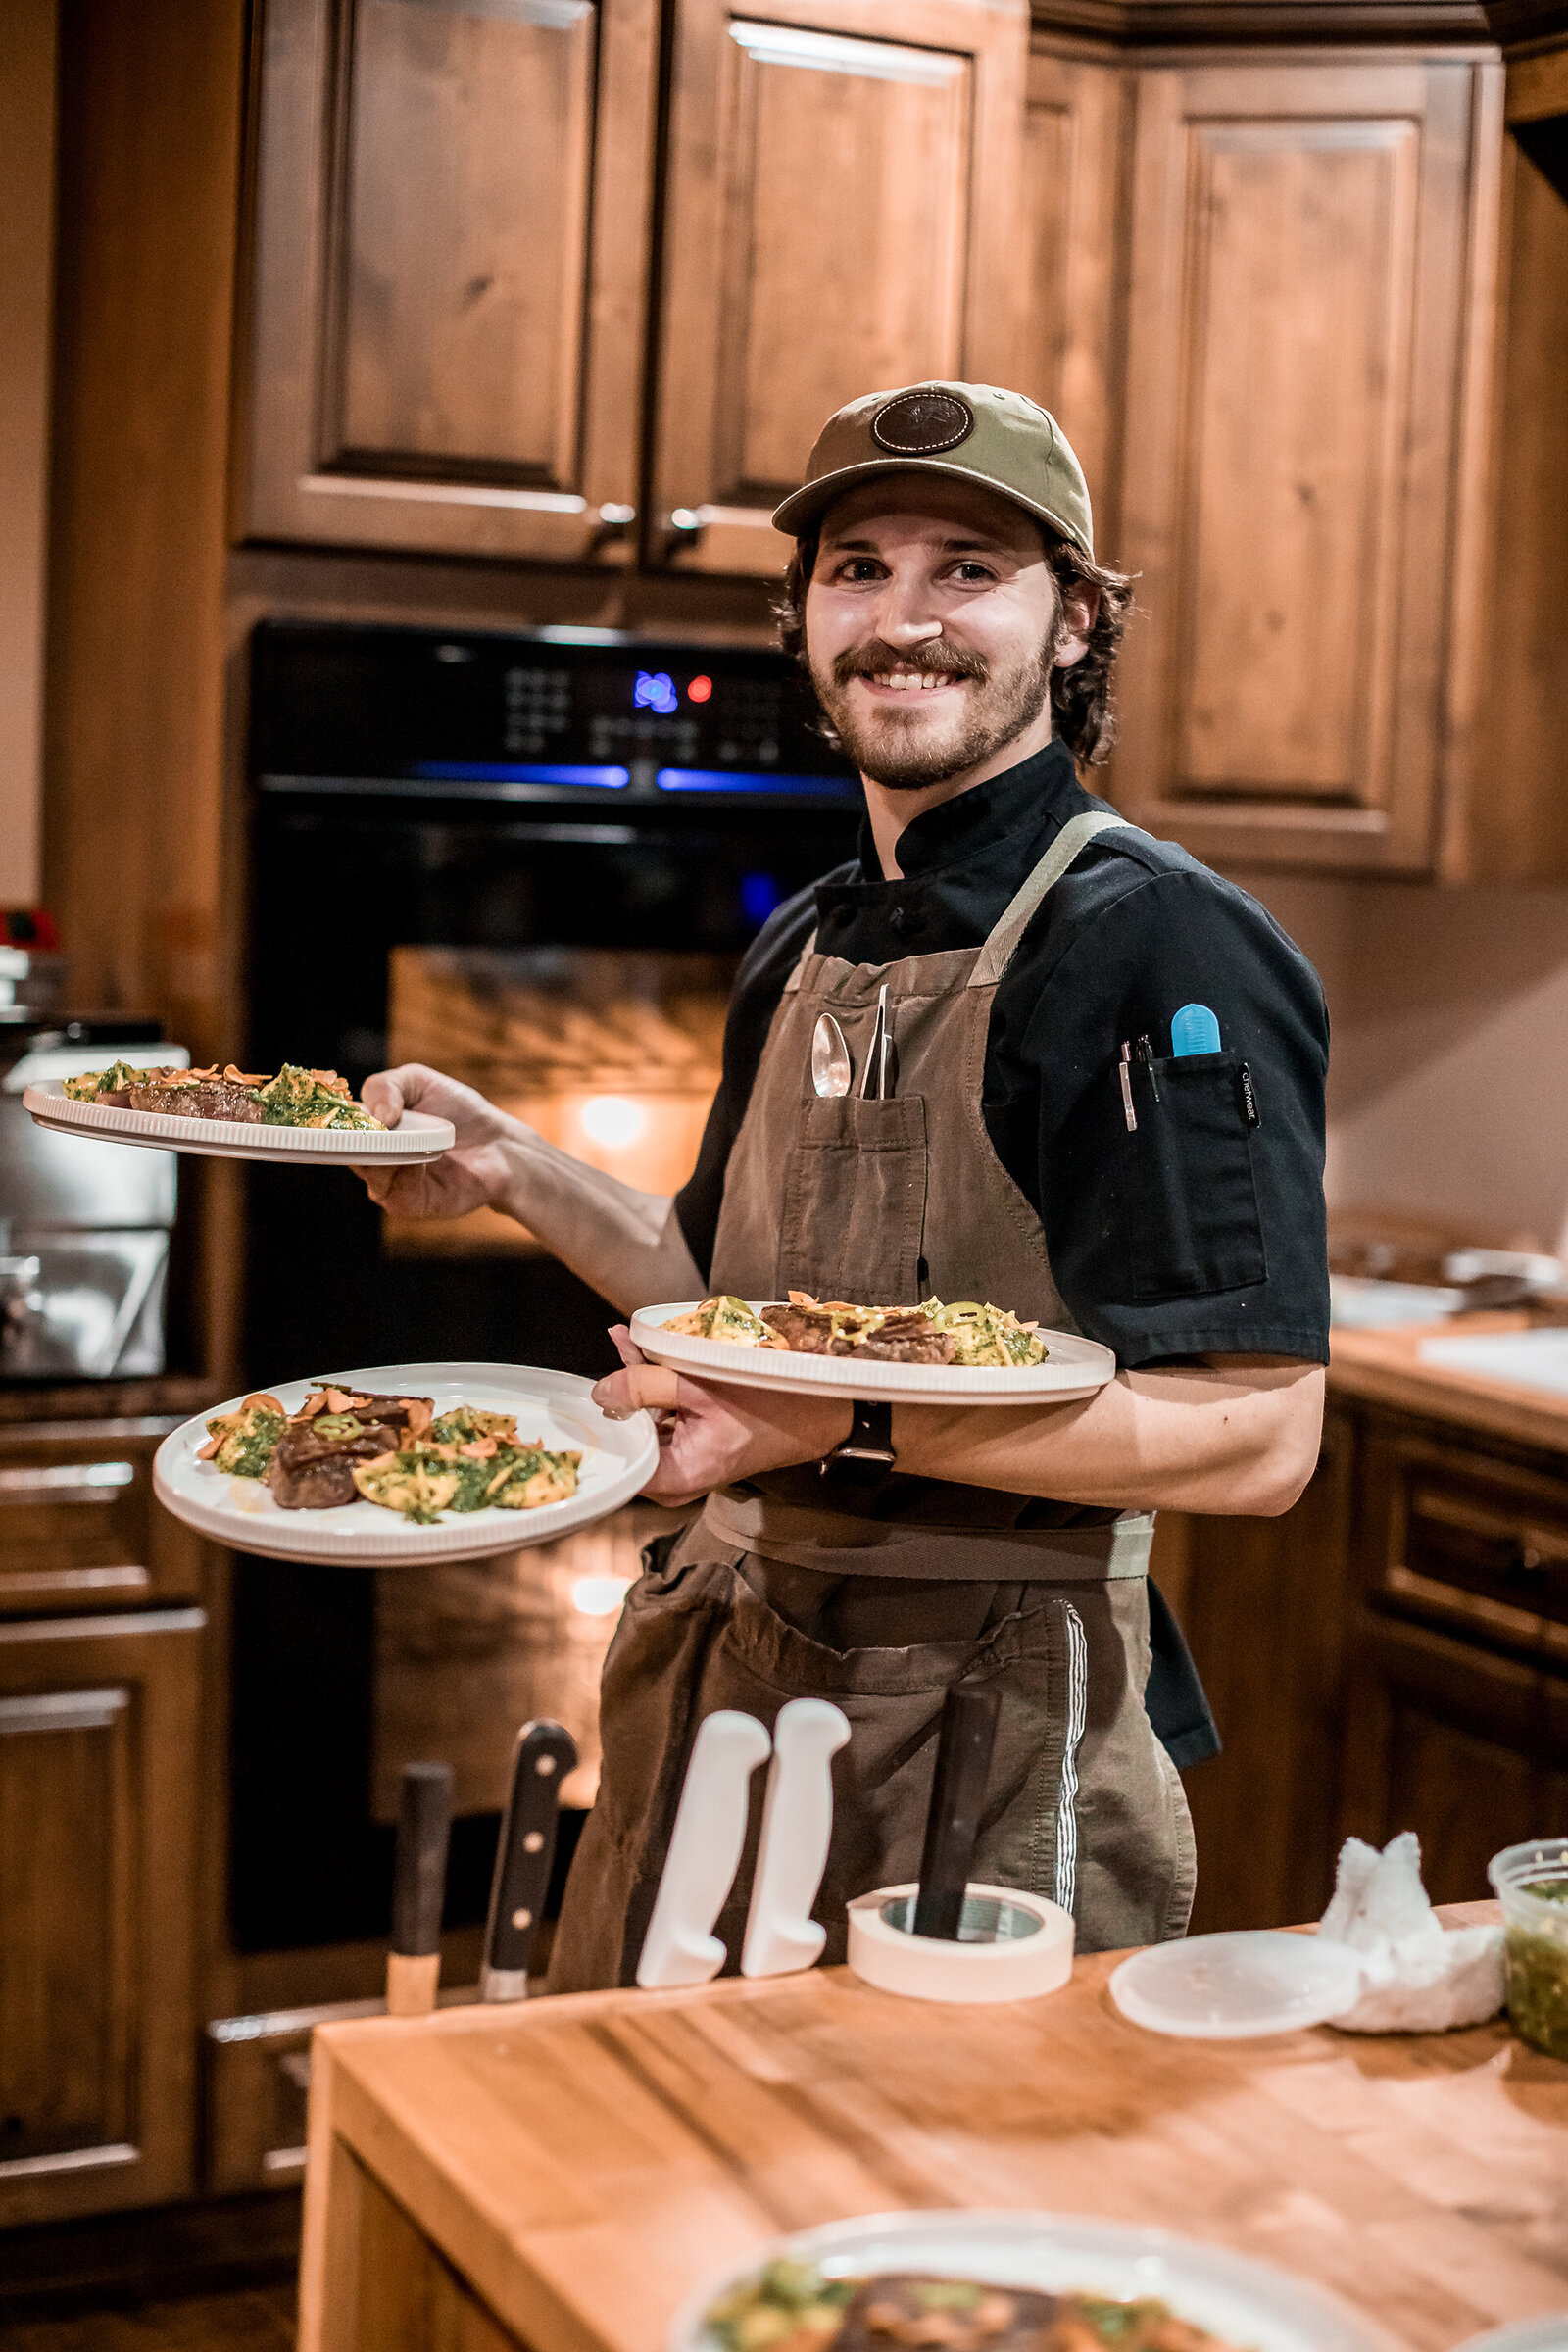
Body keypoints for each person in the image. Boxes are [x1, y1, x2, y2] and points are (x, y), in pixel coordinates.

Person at [361, 381, 1330, 1990]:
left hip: (988, 1723)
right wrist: (509, 1166)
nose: (906, 621)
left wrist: (848, 1425)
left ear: (1073, 624)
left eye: (968, 569)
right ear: (803, 618)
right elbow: (703, 1276)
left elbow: (1259, 1432)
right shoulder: (804, 938)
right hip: (729, 1664)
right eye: (859, 568)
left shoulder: (1154, 943)